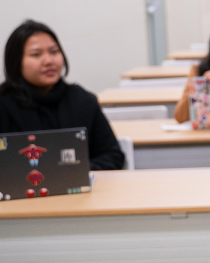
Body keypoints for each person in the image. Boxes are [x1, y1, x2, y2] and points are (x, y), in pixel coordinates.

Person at [0, 20, 124, 170]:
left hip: (78, 191)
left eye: (54, 52)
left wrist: (75, 174)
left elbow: (112, 155)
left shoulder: (82, 100)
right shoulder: (4, 104)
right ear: (16, 62)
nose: (49, 61)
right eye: (36, 54)